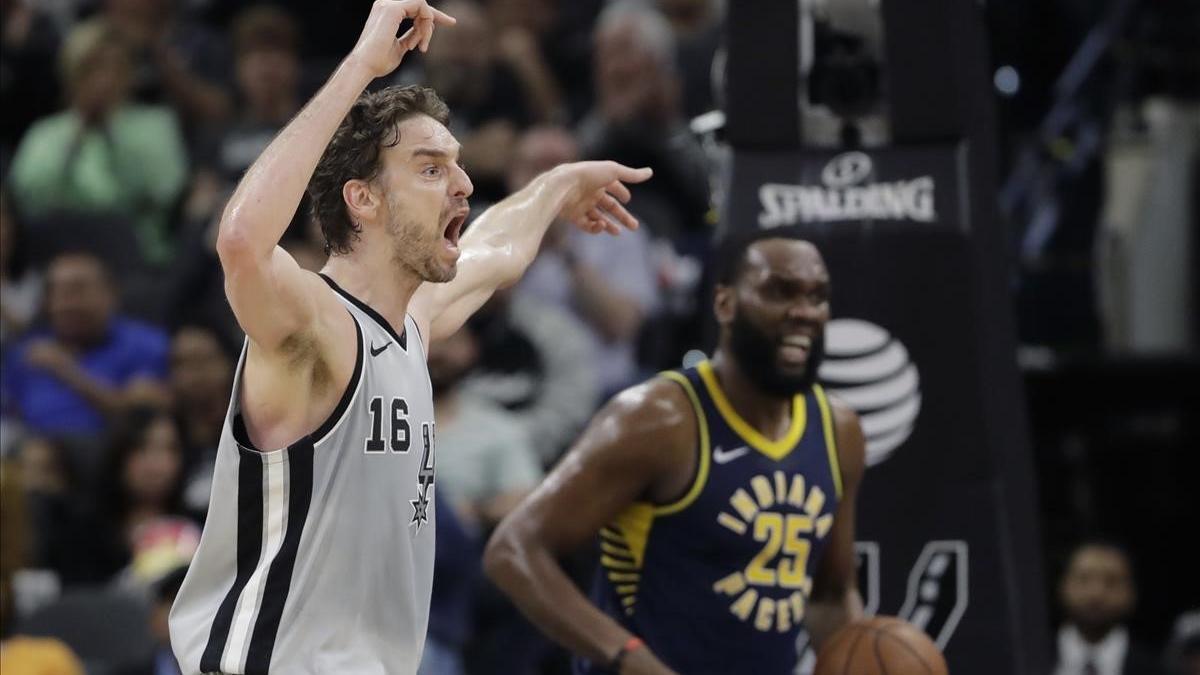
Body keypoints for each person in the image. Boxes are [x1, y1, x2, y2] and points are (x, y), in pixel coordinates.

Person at [167, 2, 651, 673]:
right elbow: (243, 240)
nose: (463, 184)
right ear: (363, 199)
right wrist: (364, 65)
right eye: (431, 168)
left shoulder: (409, 329)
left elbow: (493, 251)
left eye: (457, 166)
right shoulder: (314, 324)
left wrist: (556, 186)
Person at [485, 232, 867, 674]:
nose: (803, 312)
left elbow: (831, 596)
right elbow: (513, 551)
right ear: (725, 304)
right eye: (779, 291)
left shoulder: (839, 432)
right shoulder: (657, 420)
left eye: (817, 297)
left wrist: (860, 657)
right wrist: (628, 656)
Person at [7, 21, 189, 266]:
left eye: (115, 67)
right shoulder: (46, 134)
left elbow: (166, 189)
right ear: (71, 73)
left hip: (136, 251)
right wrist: (75, 140)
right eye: (91, 67)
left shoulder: (154, 124)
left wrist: (111, 135)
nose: (104, 79)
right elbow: (30, 198)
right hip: (61, 255)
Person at [511, 126, 660, 396]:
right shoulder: (488, 232)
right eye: (535, 169)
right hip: (516, 390)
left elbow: (621, 326)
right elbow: (471, 322)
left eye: (558, 170)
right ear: (513, 176)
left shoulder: (619, 231)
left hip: (603, 391)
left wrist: (566, 251)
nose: (547, 183)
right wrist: (531, 243)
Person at [1, 251, 169, 441]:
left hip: (111, 457)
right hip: (33, 457)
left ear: (111, 294)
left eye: (77, 291)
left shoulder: (146, 345)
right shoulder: (28, 351)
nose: (67, 304)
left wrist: (66, 371)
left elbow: (138, 419)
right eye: (57, 293)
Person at [1053, 540, 1164, 675]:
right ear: (1063, 585)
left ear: (1131, 592)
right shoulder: (1029, 655)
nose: (1096, 593)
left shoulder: (1156, 667)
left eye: (1111, 582)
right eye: (1083, 579)